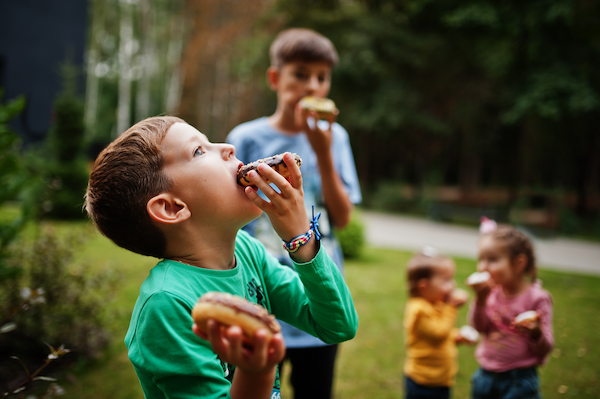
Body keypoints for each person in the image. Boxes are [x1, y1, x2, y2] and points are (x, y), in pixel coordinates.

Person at [84, 116, 358, 399]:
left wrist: (301, 237)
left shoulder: (247, 251)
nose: (227, 147)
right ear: (171, 207)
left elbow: (337, 325)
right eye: (199, 150)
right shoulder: (168, 304)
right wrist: (256, 371)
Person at [226, 27, 362, 399]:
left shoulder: (336, 138)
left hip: (316, 287)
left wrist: (322, 151)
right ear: (275, 78)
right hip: (260, 289)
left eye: (322, 77)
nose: (313, 86)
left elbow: (343, 216)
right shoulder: (247, 137)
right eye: (301, 74)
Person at [468, 223, 554, 399]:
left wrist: (536, 332)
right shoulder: (490, 293)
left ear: (518, 263)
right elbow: (478, 327)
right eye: (481, 259)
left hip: (519, 381)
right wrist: (480, 300)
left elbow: (546, 348)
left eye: (492, 260)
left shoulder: (537, 299)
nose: (482, 267)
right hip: (485, 375)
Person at [403, 247, 472, 399]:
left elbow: (440, 335)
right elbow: (438, 334)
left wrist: (456, 337)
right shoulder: (419, 310)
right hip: (423, 382)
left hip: (441, 381)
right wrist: (452, 307)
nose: (452, 285)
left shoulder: (436, 304)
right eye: (446, 280)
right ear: (424, 286)